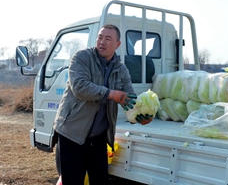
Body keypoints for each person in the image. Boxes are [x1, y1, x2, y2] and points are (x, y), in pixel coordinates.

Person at [53, 24, 153, 185]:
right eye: (100, 37)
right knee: (72, 181)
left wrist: (140, 116)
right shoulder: (81, 58)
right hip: (72, 133)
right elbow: (80, 87)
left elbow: (130, 99)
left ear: (117, 45)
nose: (102, 42)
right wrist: (112, 94)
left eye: (108, 39)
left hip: (98, 137)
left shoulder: (121, 69)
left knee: (100, 180)